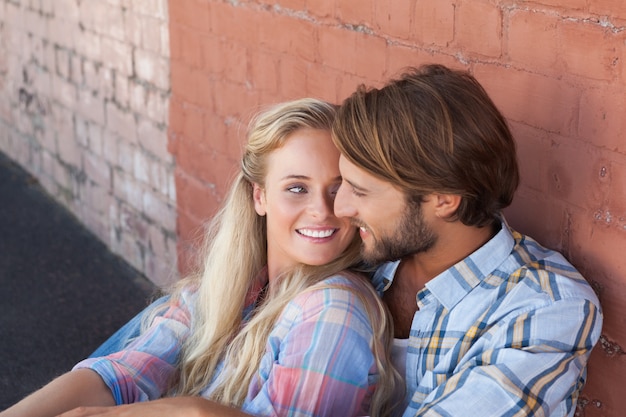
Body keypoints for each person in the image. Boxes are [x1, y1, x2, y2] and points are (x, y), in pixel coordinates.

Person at [0, 98, 402, 417]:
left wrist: (191, 410)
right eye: (297, 188)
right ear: (259, 196)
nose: (323, 210)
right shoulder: (236, 291)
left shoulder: (333, 307)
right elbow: (122, 374)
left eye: (339, 188)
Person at [330, 63, 603, 416]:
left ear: (444, 200)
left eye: (360, 192)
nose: (338, 208)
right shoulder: (361, 256)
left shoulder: (545, 307)